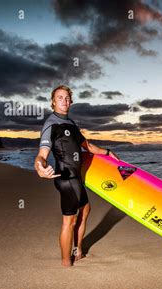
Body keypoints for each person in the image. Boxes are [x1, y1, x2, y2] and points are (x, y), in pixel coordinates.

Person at [34, 85, 119, 267]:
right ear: (53, 101)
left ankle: (77, 249)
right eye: (60, 97)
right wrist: (40, 166)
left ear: (70, 101)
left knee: (86, 209)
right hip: (66, 178)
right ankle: (66, 263)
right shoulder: (51, 124)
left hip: (76, 178)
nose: (64, 101)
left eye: (67, 98)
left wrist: (107, 152)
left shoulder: (71, 124)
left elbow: (86, 145)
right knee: (69, 221)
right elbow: (42, 153)